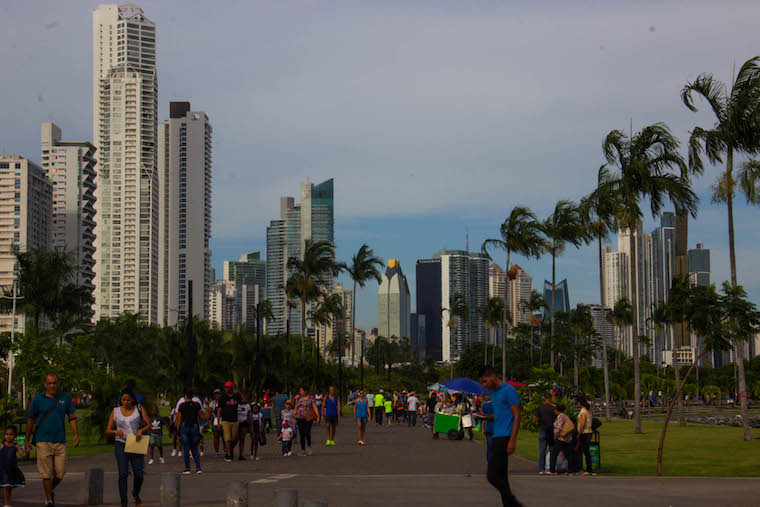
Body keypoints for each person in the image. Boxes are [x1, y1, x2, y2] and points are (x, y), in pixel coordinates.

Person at [26, 372, 79, 507]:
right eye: (49, 383)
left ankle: (50, 489)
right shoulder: (38, 399)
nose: (52, 385)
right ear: (45, 384)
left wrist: (75, 434)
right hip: (43, 440)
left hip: (60, 440)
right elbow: (31, 420)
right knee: (46, 474)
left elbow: (71, 417)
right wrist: (27, 440)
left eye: (54, 383)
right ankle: (48, 499)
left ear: (58, 383)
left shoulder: (65, 398)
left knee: (60, 473)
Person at [479, 365, 522, 507]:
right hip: (496, 435)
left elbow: (516, 416)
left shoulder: (509, 390)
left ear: (492, 377)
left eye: (485, 381)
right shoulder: (494, 394)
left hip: (505, 437)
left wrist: (512, 441)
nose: (484, 385)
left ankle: (514, 503)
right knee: (502, 477)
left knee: (492, 476)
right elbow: (500, 414)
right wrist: (487, 417)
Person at [106, 389, 151, 507]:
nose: (125, 402)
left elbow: (148, 424)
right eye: (123, 400)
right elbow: (108, 429)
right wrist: (115, 431)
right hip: (121, 444)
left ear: (133, 400)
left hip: (135, 443)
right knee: (123, 474)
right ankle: (124, 502)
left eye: (128, 400)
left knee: (139, 474)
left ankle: (135, 493)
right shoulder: (115, 411)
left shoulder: (139, 409)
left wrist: (141, 430)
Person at [176, 388, 207, 475]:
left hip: (184, 425)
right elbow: (201, 416)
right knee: (194, 448)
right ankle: (198, 467)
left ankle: (187, 468)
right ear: (193, 395)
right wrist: (206, 419)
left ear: (186, 395)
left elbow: (178, 419)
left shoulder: (181, 406)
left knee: (186, 448)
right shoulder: (196, 405)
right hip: (194, 426)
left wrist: (178, 430)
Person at [1, 425, 26, 507]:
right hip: (3, 469)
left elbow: (22, 454)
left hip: (12, 469)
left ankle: (9, 502)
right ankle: (5, 504)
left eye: (11, 434)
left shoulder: (16, 445)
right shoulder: (1, 445)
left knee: (10, 486)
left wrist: (27, 451)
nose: (8, 436)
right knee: (6, 485)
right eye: (7, 434)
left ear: (15, 436)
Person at [549, 404, 575, 476]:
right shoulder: (565, 416)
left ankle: (552, 470)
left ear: (556, 410)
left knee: (554, 454)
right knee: (568, 455)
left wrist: (555, 435)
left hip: (561, 438)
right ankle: (570, 471)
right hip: (567, 438)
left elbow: (559, 427)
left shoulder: (560, 416)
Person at [216, 381, 240, 462]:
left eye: (228, 387)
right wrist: (219, 422)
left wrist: (239, 393)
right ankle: (229, 454)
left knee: (234, 438)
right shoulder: (222, 397)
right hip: (226, 420)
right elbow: (219, 410)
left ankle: (229, 450)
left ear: (232, 388)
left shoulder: (236, 396)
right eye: (226, 387)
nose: (227, 389)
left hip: (235, 420)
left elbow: (244, 401)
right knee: (227, 438)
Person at [295, 387, 320, 456]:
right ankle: (303, 449)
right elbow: (295, 407)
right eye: (300, 391)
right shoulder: (298, 398)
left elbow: (314, 406)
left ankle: (308, 445)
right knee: (301, 434)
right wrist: (293, 416)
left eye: (301, 390)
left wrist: (318, 416)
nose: (300, 392)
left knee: (307, 432)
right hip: (299, 417)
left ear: (305, 391)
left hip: (308, 417)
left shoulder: (311, 398)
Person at [535, 393, 556, 475]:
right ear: (550, 398)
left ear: (544, 398)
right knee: (551, 450)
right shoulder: (553, 407)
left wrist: (541, 423)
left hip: (543, 429)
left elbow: (537, 419)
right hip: (551, 430)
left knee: (542, 450)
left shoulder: (540, 407)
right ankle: (550, 467)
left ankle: (541, 469)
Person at [576, 397, 594, 476]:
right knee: (585, 451)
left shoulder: (583, 412)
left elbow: (582, 423)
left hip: (585, 433)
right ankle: (584, 467)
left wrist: (579, 432)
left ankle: (588, 469)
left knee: (585, 451)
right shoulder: (587, 411)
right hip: (588, 432)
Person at [236, 393, 252, 461]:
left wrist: (250, 425)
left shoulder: (247, 406)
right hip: (236, 422)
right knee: (235, 438)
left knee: (242, 438)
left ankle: (241, 454)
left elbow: (248, 415)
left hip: (244, 422)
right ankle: (229, 451)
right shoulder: (236, 404)